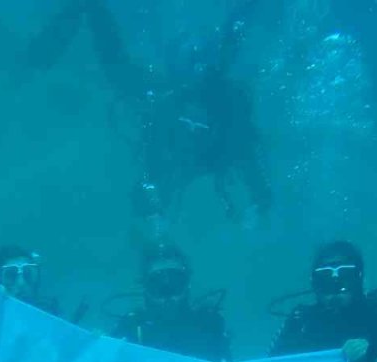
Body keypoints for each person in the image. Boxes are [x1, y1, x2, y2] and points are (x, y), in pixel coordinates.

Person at [28, 0, 272, 234]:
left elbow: (246, 156)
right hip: (183, 121)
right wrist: (259, 202)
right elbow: (115, 62)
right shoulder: (171, 115)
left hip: (192, 124)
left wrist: (259, 202)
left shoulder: (217, 117)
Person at [110, 240, 232, 362]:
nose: (167, 294)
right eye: (158, 285)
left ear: (187, 285)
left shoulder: (209, 324)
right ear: (145, 288)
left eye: (176, 283)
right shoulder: (130, 327)